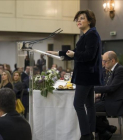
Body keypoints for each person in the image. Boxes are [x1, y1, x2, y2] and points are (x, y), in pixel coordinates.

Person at [47, 9, 103, 140]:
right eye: (77, 18)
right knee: (89, 105)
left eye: (82, 18)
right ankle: (90, 133)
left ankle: (85, 135)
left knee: (78, 104)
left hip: (86, 75)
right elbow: (76, 52)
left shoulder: (92, 35)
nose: (78, 20)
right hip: (87, 75)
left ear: (90, 21)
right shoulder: (87, 35)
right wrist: (57, 53)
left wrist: (75, 54)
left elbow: (89, 55)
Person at [94, 51, 123, 140]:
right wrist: (99, 94)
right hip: (108, 99)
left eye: (105, 61)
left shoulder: (120, 70)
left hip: (116, 102)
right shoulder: (111, 70)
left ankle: (104, 130)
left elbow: (111, 88)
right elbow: (105, 86)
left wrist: (92, 89)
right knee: (90, 105)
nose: (103, 64)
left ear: (113, 61)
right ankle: (106, 129)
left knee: (90, 109)